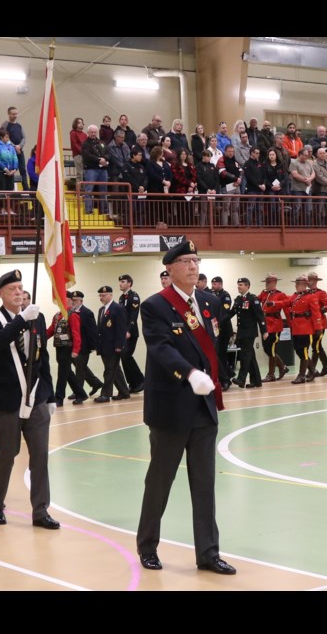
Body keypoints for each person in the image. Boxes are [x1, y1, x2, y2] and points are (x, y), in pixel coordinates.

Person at [136, 239, 235, 575]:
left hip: (203, 409)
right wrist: (190, 373)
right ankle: (147, 546)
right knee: (160, 481)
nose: (194, 266)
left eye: (196, 260)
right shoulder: (154, 306)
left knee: (205, 485)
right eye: (187, 261)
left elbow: (214, 347)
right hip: (171, 409)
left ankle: (208, 553)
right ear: (170, 269)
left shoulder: (208, 302)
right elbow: (161, 349)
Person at [0, 270, 60, 529]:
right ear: (1, 294)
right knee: (7, 455)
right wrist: (22, 320)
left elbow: (42, 357)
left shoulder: (36, 317)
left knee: (40, 457)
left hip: (36, 398)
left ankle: (40, 511)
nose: (19, 292)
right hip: (7, 401)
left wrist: (51, 396)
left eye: (21, 287)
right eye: (13, 289)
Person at [267, 274, 321, 384]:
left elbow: (316, 314)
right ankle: (312, 370)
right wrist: (274, 303)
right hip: (296, 327)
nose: (296, 286)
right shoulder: (296, 296)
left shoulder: (311, 296)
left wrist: (318, 328)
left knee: (304, 351)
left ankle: (301, 375)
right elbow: (286, 302)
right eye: (296, 284)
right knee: (298, 350)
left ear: (304, 285)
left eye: (298, 284)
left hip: (306, 328)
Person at [46, 293, 86, 407]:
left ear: (69, 300)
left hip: (68, 348)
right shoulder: (57, 315)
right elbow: (50, 331)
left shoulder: (72, 315)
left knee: (62, 373)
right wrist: (39, 336)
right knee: (67, 372)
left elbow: (76, 333)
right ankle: (81, 394)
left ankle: (59, 398)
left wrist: (76, 350)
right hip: (59, 347)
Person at [94, 285, 130, 403]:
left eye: (104, 295)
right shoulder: (101, 310)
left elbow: (121, 329)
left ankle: (106, 394)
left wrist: (120, 345)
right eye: (100, 295)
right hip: (104, 346)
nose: (101, 297)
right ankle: (124, 392)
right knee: (115, 370)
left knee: (109, 370)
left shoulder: (117, 308)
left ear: (111, 295)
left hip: (114, 346)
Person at [231, 277, 267, 388]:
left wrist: (264, 331)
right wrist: (219, 320)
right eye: (238, 284)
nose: (238, 286)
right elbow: (231, 313)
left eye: (241, 285)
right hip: (241, 332)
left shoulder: (253, 299)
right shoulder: (238, 299)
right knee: (250, 356)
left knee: (245, 356)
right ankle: (256, 381)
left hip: (249, 332)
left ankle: (241, 379)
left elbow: (260, 316)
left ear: (247, 286)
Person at [69, 290, 102, 400]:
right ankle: (95, 383)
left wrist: (93, 346)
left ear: (81, 301)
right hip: (73, 346)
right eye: (72, 300)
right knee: (81, 367)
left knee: (79, 370)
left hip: (83, 346)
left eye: (75, 300)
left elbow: (92, 331)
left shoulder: (87, 313)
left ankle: (79, 392)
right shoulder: (70, 312)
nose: (73, 302)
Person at [258, 273, 288, 382]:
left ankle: (271, 374)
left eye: (269, 282)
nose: (266, 284)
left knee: (271, 349)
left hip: (275, 324)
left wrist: (275, 303)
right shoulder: (264, 293)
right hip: (265, 324)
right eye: (266, 282)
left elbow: (286, 303)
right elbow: (257, 301)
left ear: (274, 283)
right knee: (266, 349)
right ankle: (282, 366)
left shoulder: (280, 294)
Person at [118, 274, 145, 393]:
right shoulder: (121, 297)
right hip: (122, 332)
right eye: (120, 282)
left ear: (129, 283)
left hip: (131, 333)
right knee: (123, 358)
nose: (120, 283)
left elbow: (134, 315)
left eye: (123, 281)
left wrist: (128, 330)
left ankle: (141, 381)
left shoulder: (134, 296)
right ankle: (132, 384)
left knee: (126, 355)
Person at [0, 106, 27, 187]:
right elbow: (4, 137)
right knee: (11, 170)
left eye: (16, 114)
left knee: (23, 170)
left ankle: (26, 189)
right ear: (9, 114)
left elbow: (24, 137)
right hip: (9, 151)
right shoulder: (5, 124)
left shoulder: (19, 125)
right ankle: (10, 189)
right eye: (13, 114)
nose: (15, 116)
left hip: (19, 150)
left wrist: (20, 146)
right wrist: (14, 146)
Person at [69, 117, 87, 182]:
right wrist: (82, 152)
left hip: (84, 155)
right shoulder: (73, 133)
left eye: (82, 123)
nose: (81, 124)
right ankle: (79, 190)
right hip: (78, 155)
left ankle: (84, 189)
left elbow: (86, 145)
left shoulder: (84, 134)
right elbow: (74, 145)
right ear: (75, 124)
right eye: (79, 123)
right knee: (80, 173)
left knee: (85, 173)